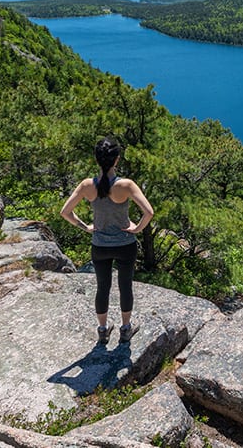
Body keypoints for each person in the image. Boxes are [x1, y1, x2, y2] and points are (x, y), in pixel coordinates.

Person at [61, 137, 153, 344]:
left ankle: (102, 331)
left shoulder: (87, 186)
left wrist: (86, 227)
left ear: (97, 160)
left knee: (102, 287)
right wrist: (136, 229)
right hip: (125, 244)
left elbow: (65, 212)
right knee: (125, 286)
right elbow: (149, 212)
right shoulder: (126, 185)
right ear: (116, 160)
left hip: (99, 245)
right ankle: (125, 329)